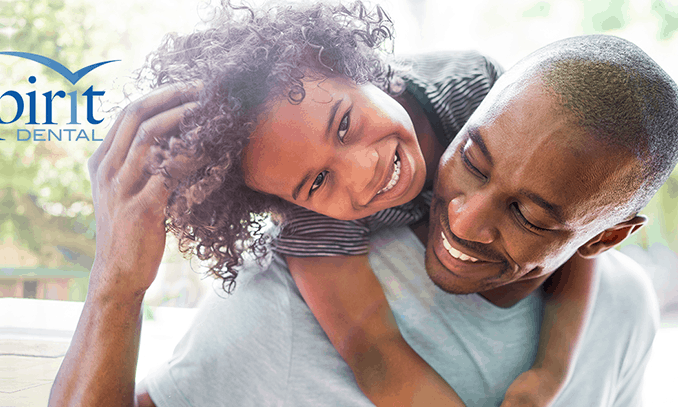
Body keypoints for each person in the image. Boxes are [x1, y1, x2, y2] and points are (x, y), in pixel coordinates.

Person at [48, 3, 677, 407]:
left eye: (346, 124)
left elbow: (574, 208)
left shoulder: (477, 89)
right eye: (317, 182)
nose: (365, 171)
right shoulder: (306, 246)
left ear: (366, 71)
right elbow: (373, 350)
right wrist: (116, 284)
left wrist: (547, 377)